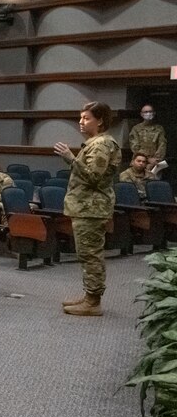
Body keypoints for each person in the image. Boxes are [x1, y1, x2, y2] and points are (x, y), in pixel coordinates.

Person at [54, 101, 121, 316]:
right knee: (87, 254)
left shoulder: (101, 144)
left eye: (86, 118)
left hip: (91, 208)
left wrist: (70, 159)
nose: (81, 122)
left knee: (91, 254)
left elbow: (94, 176)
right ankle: (90, 295)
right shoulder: (95, 142)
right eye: (81, 117)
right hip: (86, 207)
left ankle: (93, 302)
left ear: (100, 120)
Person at [129, 103, 166, 167]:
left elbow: (162, 145)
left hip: (155, 163)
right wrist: (147, 158)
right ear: (141, 114)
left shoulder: (159, 129)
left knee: (154, 176)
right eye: (146, 112)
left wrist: (156, 159)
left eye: (150, 111)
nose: (148, 113)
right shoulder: (136, 128)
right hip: (139, 161)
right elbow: (134, 146)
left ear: (154, 113)